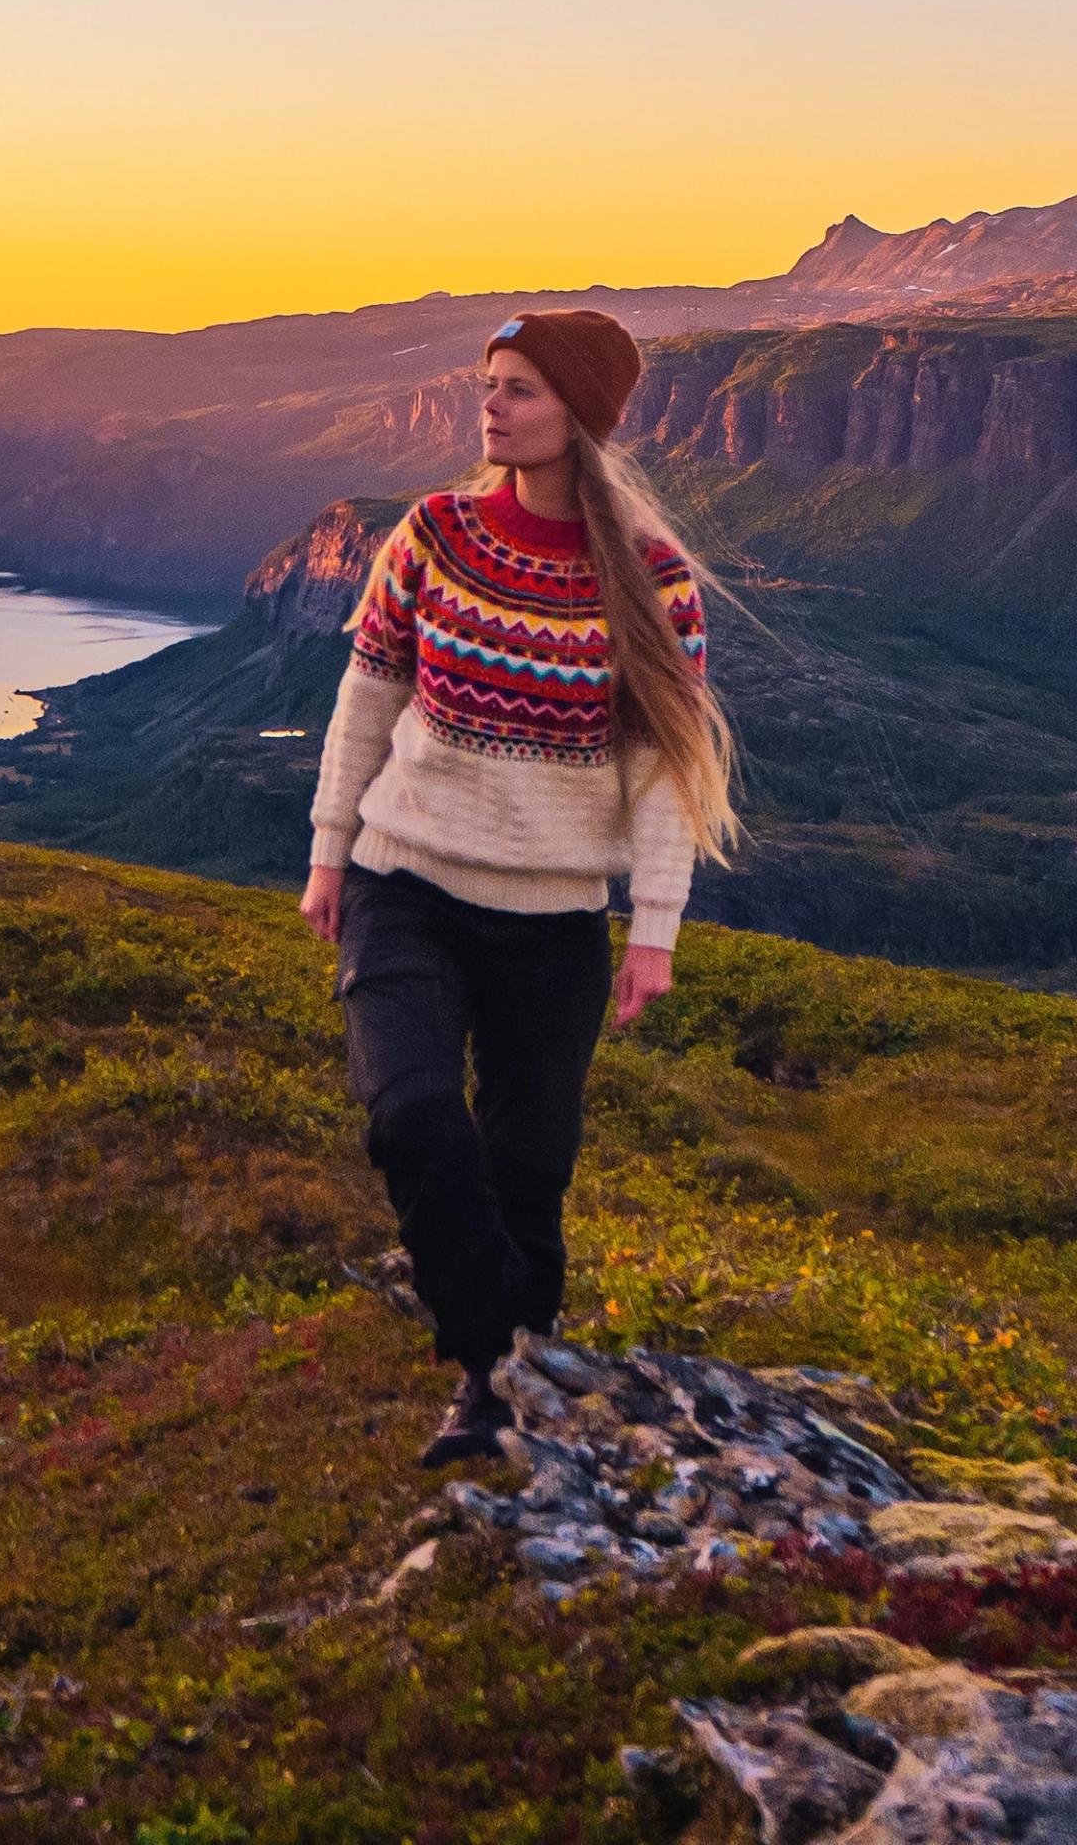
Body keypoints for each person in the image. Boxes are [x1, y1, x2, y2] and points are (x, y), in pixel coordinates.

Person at [298, 307, 743, 1465]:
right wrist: (329, 852)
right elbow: (366, 698)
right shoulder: (433, 533)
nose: (491, 406)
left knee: (530, 1169)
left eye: (522, 390)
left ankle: (494, 1401)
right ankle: (492, 1343)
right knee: (409, 1115)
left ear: (580, 416)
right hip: (407, 884)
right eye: (490, 384)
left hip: (553, 925)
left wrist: (655, 929)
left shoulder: (652, 581)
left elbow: (664, 774)